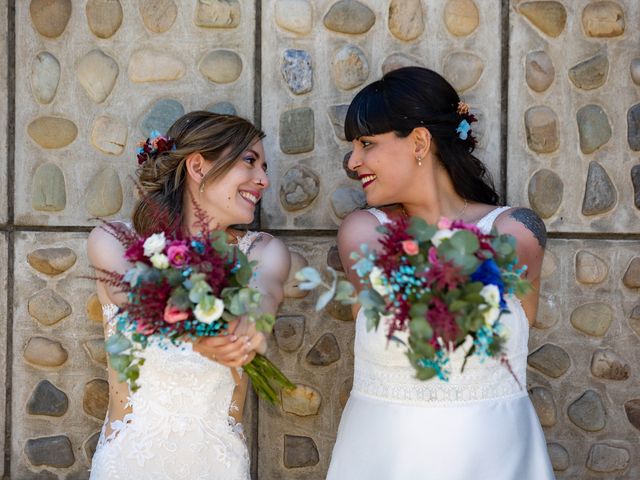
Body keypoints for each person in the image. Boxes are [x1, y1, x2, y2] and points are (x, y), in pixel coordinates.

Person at [326, 67, 554, 479]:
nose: (352, 161)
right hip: (383, 457)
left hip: (493, 459)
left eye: (366, 144)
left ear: (419, 141)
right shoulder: (363, 231)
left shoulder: (517, 229)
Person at [88, 112, 290, 479]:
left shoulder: (262, 251)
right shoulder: (115, 240)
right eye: (250, 161)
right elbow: (140, 297)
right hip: (130, 466)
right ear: (197, 166)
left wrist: (250, 325)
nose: (263, 179)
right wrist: (200, 337)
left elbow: (265, 295)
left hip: (218, 467)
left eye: (264, 166)